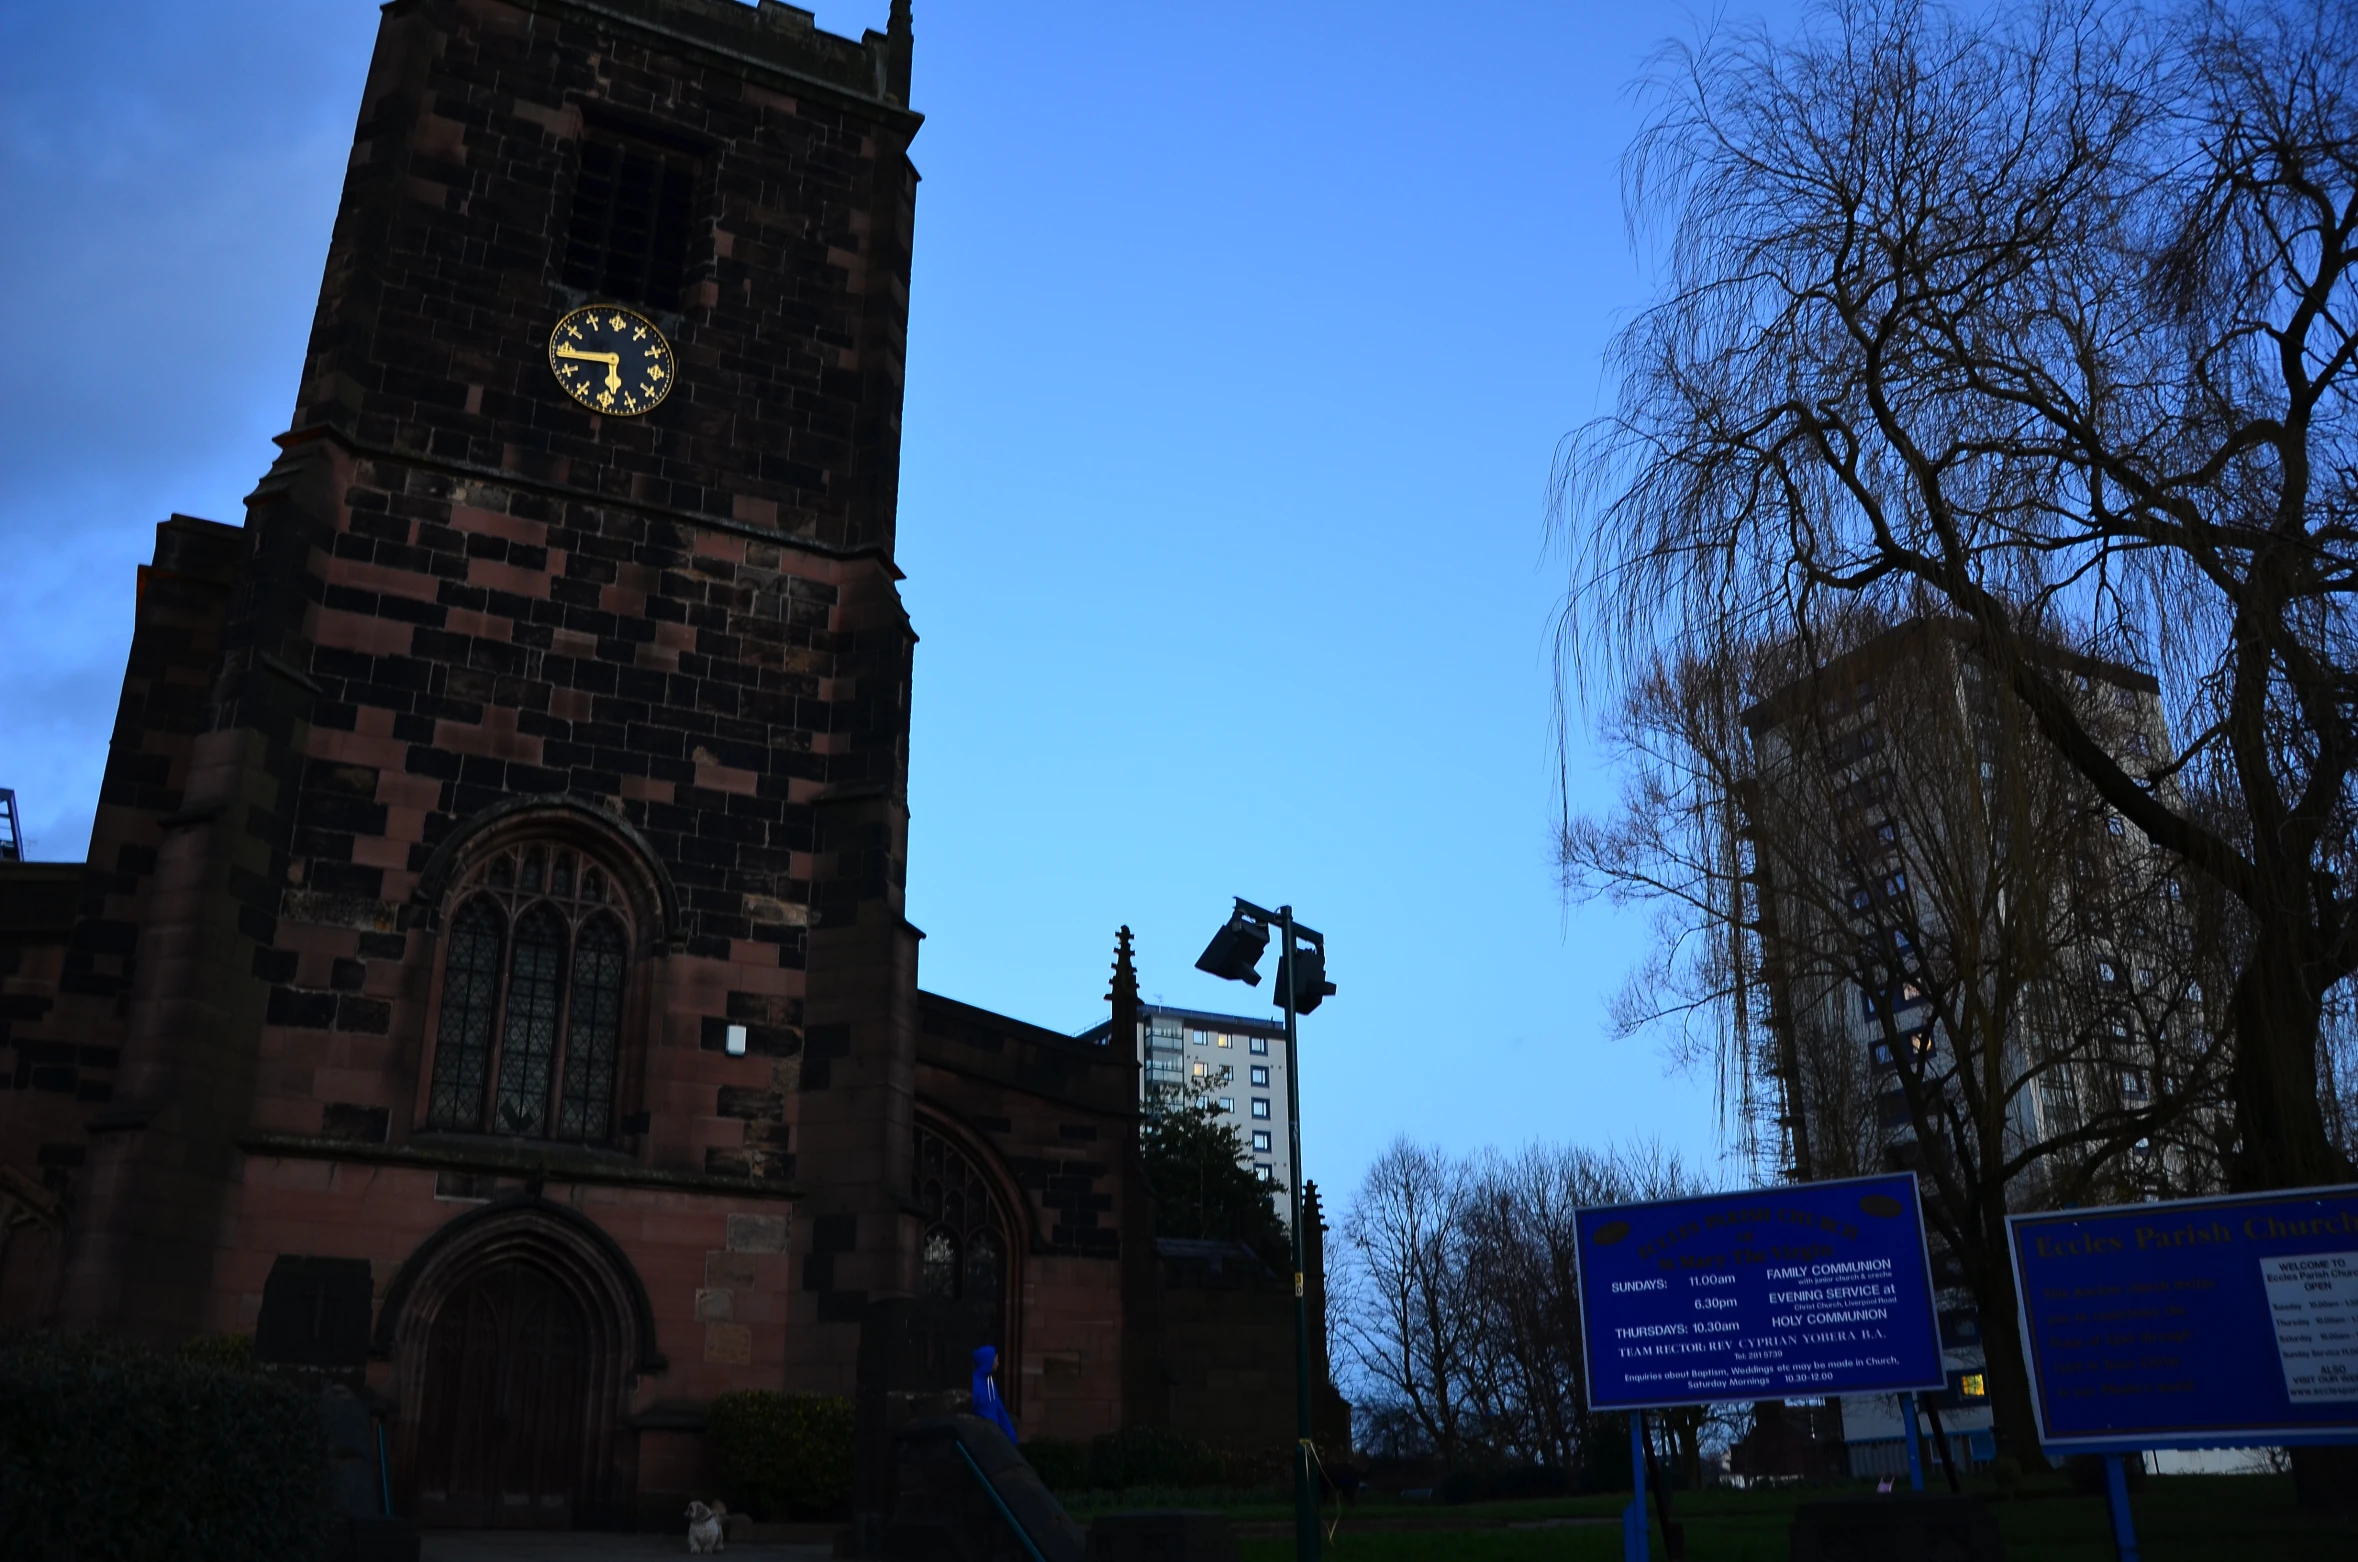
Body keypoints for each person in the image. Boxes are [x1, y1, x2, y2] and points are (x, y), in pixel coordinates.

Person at [970, 1345, 1019, 1445]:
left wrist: (1012, 1436)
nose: (997, 1363)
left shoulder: (990, 1383)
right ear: (988, 1361)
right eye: (995, 1360)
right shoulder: (975, 1383)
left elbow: (999, 1409)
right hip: (981, 1439)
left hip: (992, 1436)